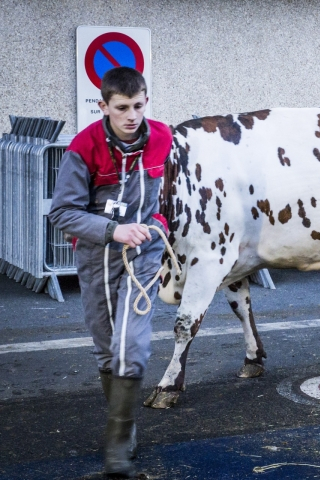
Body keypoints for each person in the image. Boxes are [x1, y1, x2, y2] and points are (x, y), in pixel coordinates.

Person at [49, 66, 172, 478]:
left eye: (138, 105)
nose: (131, 115)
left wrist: (160, 223)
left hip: (145, 253)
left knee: (130, 342)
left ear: (146, 101)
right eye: (121, 108)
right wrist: (112, 229)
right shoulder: (83, 148)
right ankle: (127, 425)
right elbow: (62, 213)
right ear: (104, 107)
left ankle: (117, 446)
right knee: (107, 347)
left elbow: (170, 192)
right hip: (97, 256)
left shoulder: (163, 138)